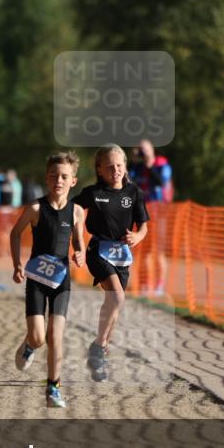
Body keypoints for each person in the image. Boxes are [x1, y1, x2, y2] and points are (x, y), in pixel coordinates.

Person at [10, 151, 86, 407]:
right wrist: (17, 264)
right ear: (46, 178)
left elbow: (79, 241)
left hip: (61, 281)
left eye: (64, 176)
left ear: (73, 181)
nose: (58, 180)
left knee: (55, 335)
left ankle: (53, 388)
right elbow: (15, 233)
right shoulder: (35, 208)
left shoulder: (77, 212)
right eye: (53, 175)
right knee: (39, 337)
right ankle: (30, 345)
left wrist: (80, 253)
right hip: (36, 279)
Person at [73, 144, 149, 382]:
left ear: (125, 166)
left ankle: (99, 353)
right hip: (98, 250)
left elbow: (143, 226)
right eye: (109, 167)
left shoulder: (134, 193)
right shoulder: (93, 192)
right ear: (99, 170)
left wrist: (137, 236)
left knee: (114, 305)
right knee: (117, 297)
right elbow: (71, 209)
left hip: (122, 254)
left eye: (119, 165)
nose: (115, 170)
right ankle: (98, 347)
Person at [129, 140, 173, 294]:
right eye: (140, 149)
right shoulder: (137, 168)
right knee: (144, 251)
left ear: (152, 150)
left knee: (159, 251)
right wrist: (134, 160)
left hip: (159, 214)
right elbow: (127, 181)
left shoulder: (162, 165)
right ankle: (144, 284)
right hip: (142, 214)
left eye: (145, 149)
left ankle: (159, 285)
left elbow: (160, 182)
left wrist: (149, 164)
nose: (142, 152)